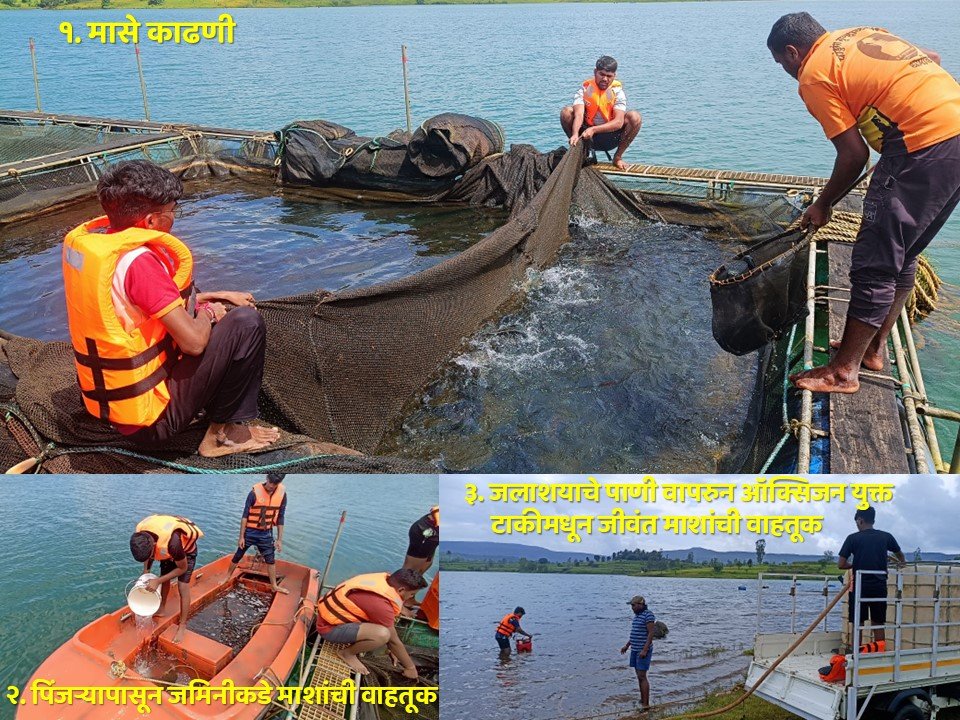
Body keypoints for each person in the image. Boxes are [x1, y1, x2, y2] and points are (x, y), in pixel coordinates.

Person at [766, 13, 960, 394]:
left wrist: (823, 205)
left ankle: (842, 371)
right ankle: (872, 349)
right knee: (902, 255)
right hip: (954, 131)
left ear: (792, 52)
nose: (785, 71)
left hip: (920, 146)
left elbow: (854, 156)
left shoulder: (813, 75)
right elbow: (932, 58)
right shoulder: (862, 33)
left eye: (781, 63)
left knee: (873, 263)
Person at [62, 159, 280, 456]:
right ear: (151, 221)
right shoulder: (141, 264)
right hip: (151, 423)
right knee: (246, 323)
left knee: (225, 314)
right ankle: (222, 436)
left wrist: (215, 295)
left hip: (111, 408)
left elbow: (145, 309)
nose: (175, 218)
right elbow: (192, 343)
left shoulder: (101, 249)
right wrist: (211, 312)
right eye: (172, 211)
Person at [315, 568, 427, 679]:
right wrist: (410, 668)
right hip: (329, 628)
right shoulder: (381, 605)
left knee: (387, 634)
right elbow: (393, 640)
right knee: (383, 634)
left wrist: (395, 651)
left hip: (329, 616)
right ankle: (347, 653)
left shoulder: (384, 581)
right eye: (412, 594)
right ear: (401, 590)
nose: (411, 597)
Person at [129, 514, 204, 644]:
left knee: (182, 586)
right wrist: (145, 573)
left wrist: (157, 580)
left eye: (151, 553)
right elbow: (149, 557)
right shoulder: (141, 536)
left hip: (185, 554)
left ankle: (182, 625)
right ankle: (162, 608)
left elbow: (182, 568)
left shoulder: (172, 543)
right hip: (167, 552)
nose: (151, 556)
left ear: (153, 545)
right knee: (165, 578)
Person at [838, 505, 905, 648]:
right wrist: (902, 563)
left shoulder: (852, 538)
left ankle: (856, 655)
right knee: (878, 622)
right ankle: (879, 654)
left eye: (856, 522)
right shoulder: (886, 536)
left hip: (860, 587)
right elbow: (900, 556)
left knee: (858, 622)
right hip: (879, 586)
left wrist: (855, 564)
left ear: (860, 520)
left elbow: (841, 564)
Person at [561, 55, 643, 170]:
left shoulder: (618, 93)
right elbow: (579, 114)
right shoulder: (584, 90)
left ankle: (617, 157)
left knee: (635, 117)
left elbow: (619, 122)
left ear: (614, 76)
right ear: (595, 72)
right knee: (566, 112)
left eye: (609, 76)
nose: (605, 79)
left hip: (610, 137)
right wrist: (575, 133)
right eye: (602, 74)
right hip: (586, 137)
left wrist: (594, 129)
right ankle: (580, 152)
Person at [226, 472, 289, 595]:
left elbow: (281, 518)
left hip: (266, 533)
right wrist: (241, 537)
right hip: (250, 531)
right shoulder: (253, 493)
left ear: (279, 483)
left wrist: (279, 539)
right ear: (267, 478)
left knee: (270, 560)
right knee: (238, 555)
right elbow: (245, 516)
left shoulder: (282, 495)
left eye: (275, 483)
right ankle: (227, 576)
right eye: (270, 482)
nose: (271, 485)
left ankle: (274, 586)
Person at [620, 595, 655, 711]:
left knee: (642, 676)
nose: (632, 608)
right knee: (639, 677)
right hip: (635, 649)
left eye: (633, 605)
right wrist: (627, 645)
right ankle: (642, 699)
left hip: (642, 650)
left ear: (641, 605)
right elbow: (635, 633)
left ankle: (646, 705)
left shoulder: (648, 615)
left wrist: (645, 650)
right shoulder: (637, 616)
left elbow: (651, 634)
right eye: (631, 605)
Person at [403, 506, 439, 573]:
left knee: (425, 567)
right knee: (410, 572)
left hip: (436, 533)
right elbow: (435, 508)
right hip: (427, 530)